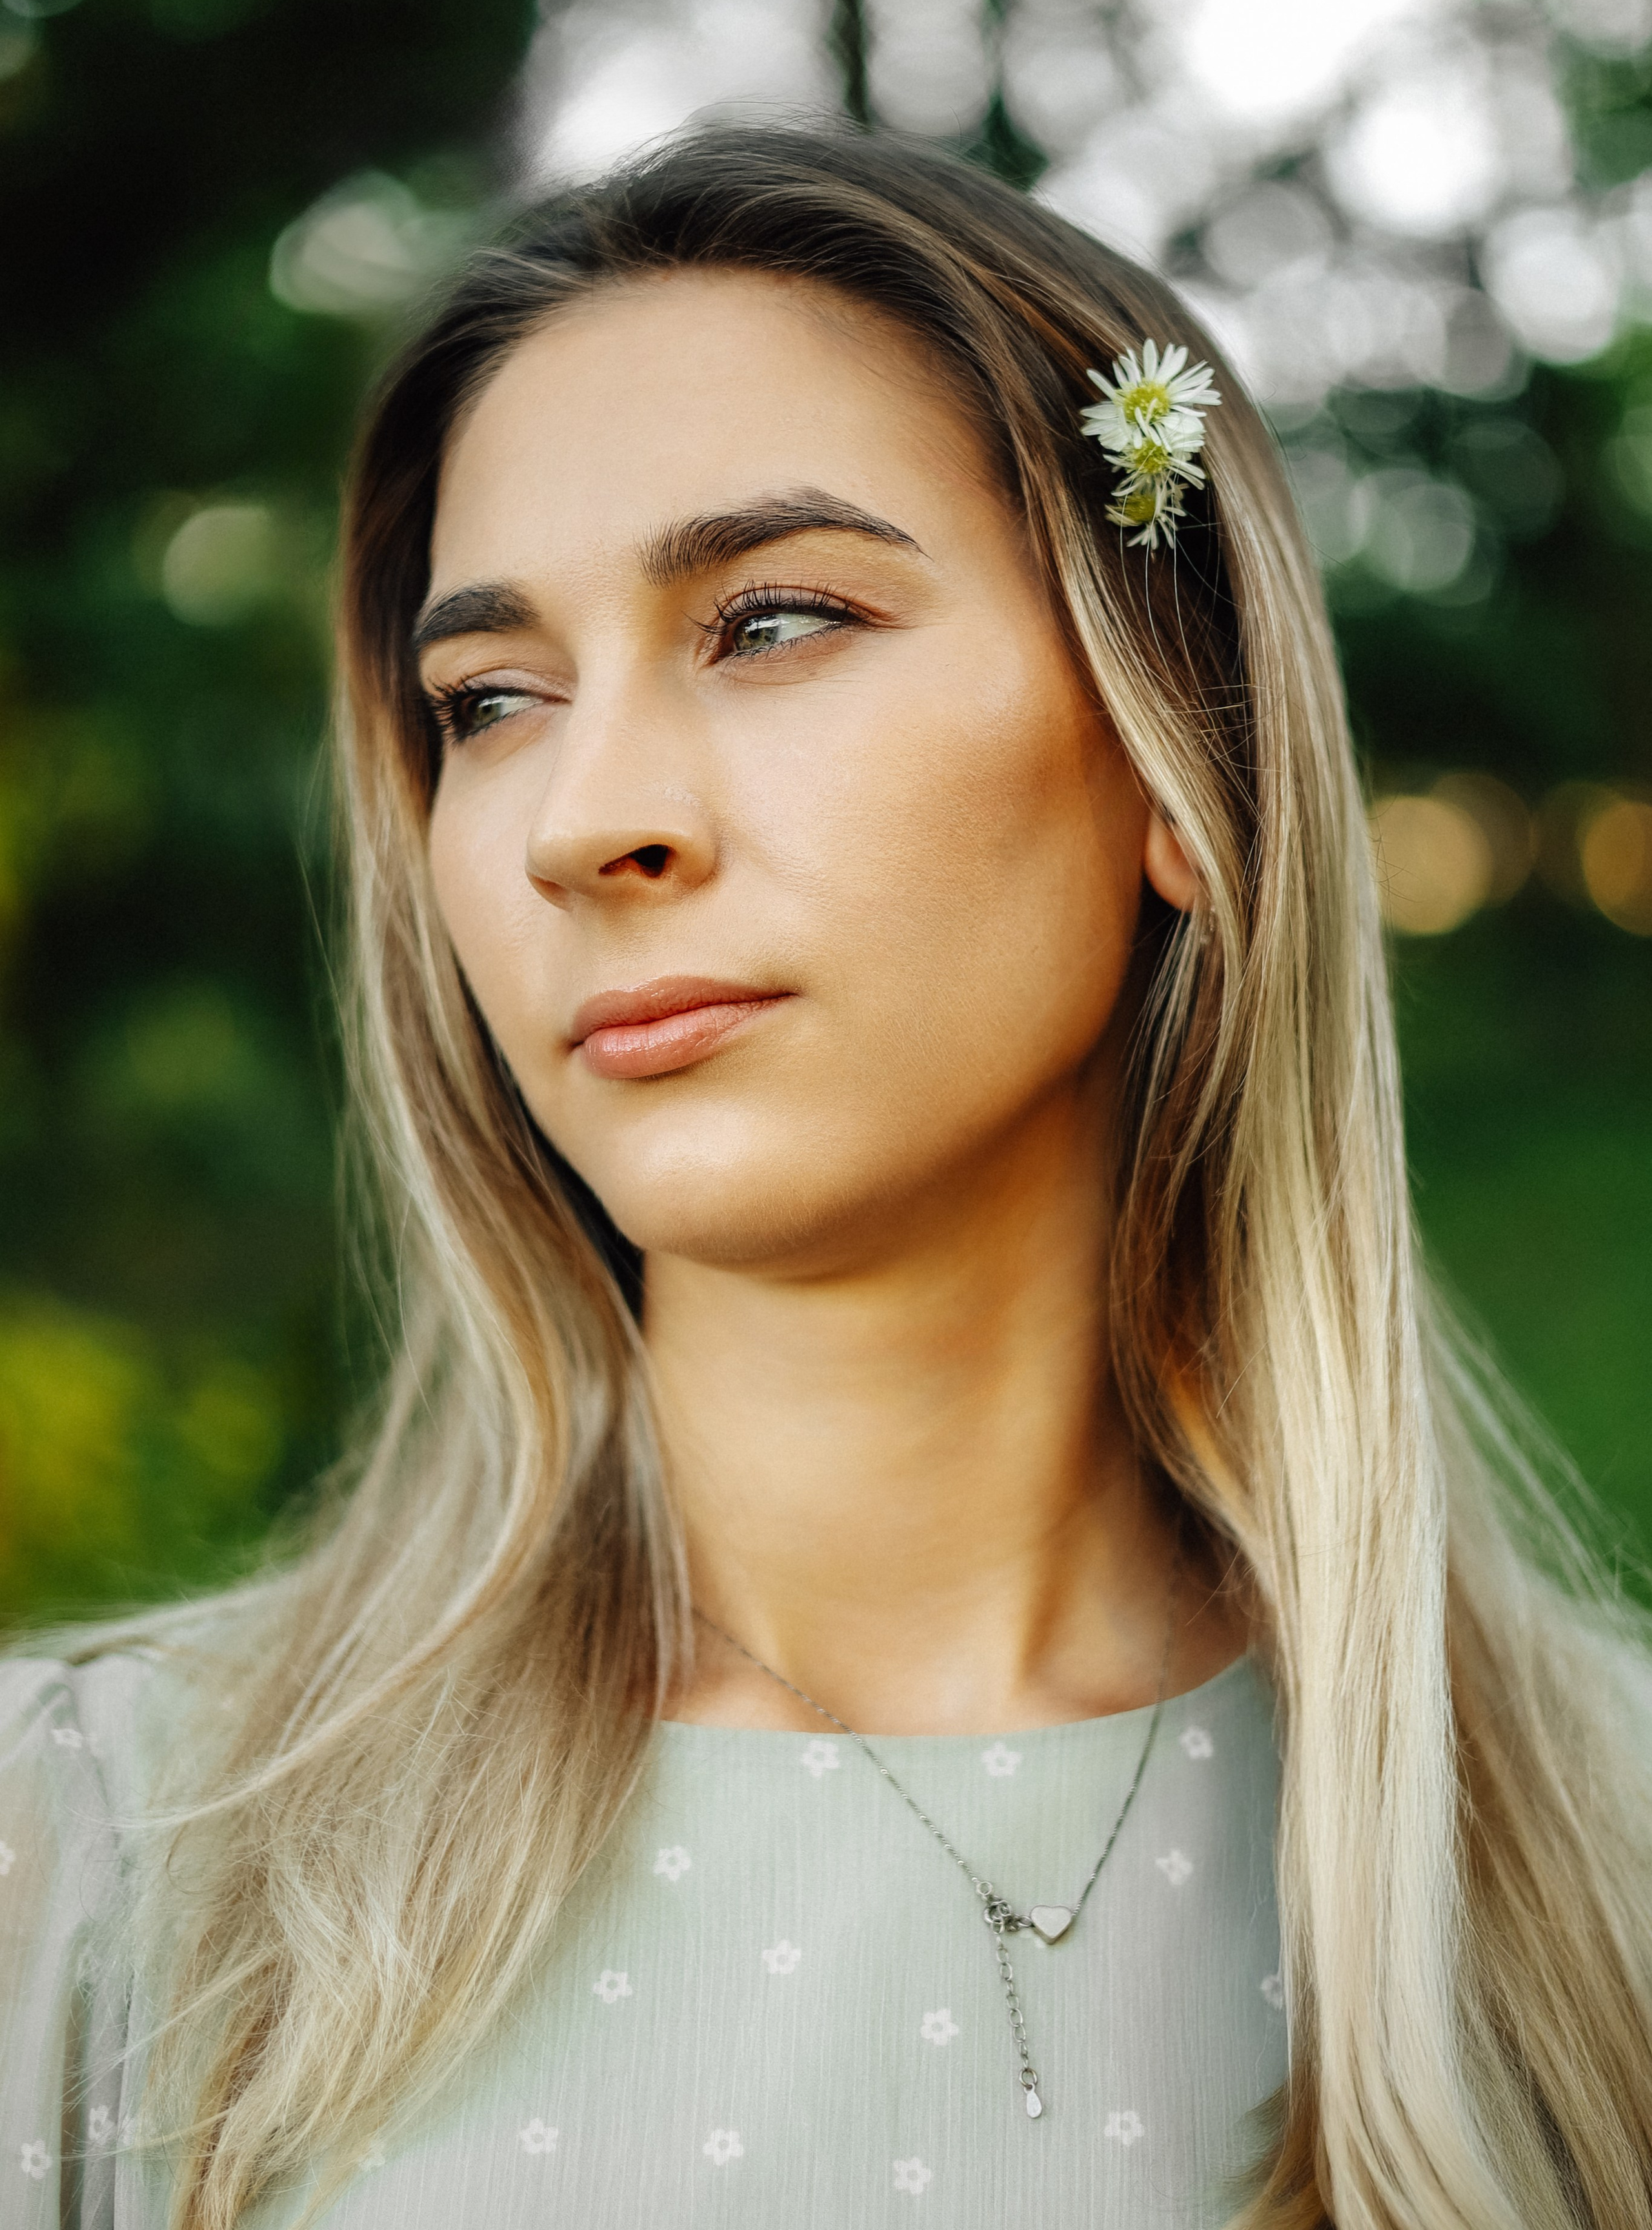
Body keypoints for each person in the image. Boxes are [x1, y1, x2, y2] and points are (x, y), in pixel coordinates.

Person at [3, 124, 1649, 2230]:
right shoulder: (95, 1857)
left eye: (772, 620)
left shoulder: (1610, 1863)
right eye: (490, 701)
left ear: (1181, 751)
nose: (579, 821)